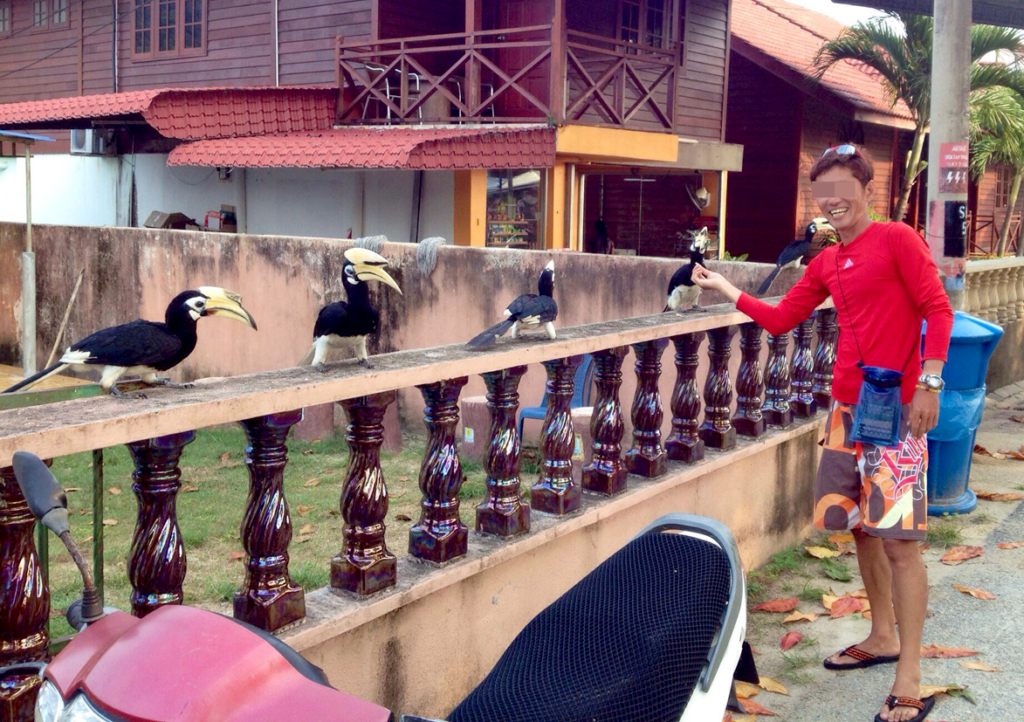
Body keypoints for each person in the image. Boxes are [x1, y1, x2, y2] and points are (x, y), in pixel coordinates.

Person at [692, 145, 954, 722]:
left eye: (841, 188)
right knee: (860, 528)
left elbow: (938, 309)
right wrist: (726, 290)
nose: (832, 200)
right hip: (846, 412)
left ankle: (909, 674)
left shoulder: (898, 241)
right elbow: (784, 317)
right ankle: (881, 635)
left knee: (901, 545)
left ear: (866, 188)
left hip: (898, 411)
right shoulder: (828, 262)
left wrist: (931, 383)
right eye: (821, 192)